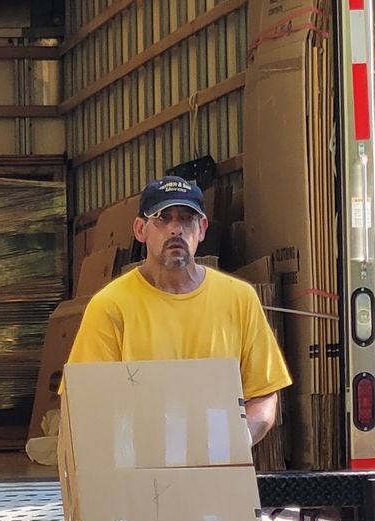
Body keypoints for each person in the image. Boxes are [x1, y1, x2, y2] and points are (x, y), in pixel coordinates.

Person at [64, 175, 292, 444]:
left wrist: (238, 440)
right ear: (140, 229)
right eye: (162, 218)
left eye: (186, 218)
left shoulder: (239, 299)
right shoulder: (111, 306)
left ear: (202, 228)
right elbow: (83, 400)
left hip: (215, 473)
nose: (175, 229)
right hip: (139, 473)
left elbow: (264, 393)